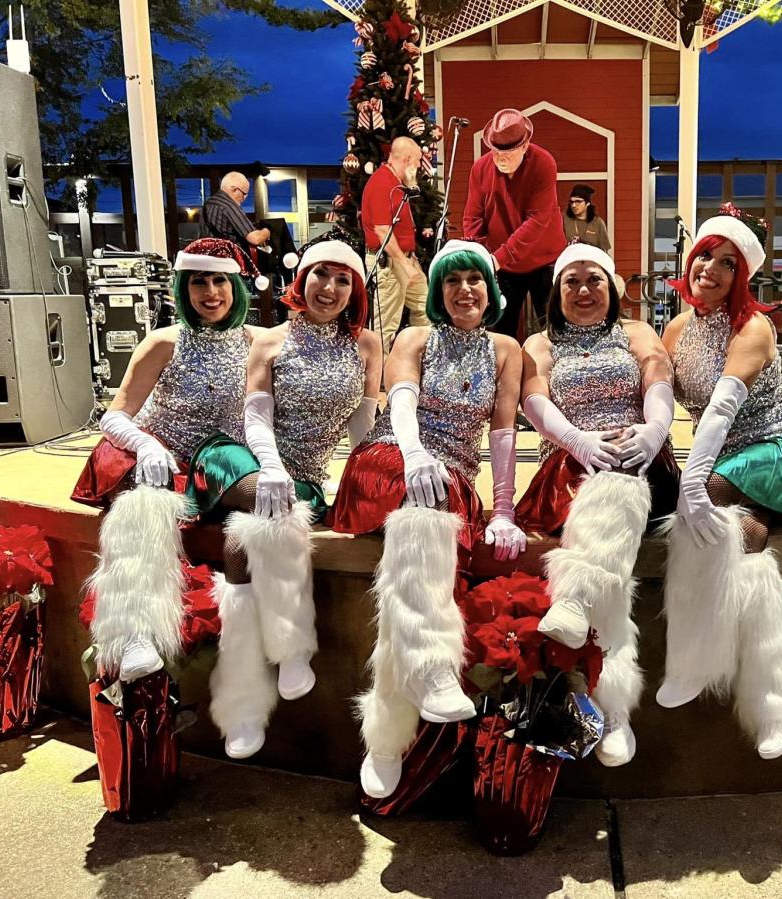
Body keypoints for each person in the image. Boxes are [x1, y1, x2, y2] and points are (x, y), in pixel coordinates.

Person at [330, 240, 525, 799]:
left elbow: (504, 432)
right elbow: (403, 402)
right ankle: (434, 672)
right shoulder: (416, 336)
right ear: (437, 292)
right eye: (451, 281)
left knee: (429, 517)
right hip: (390, 457)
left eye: (475, 280)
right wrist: (414, 455)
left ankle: (385, 738)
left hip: (452, 477)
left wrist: (507, 509)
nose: (464, 290)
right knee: (426, 505)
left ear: (490, 290)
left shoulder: (506, 348)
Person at [181, 239, 382, 759]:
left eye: (342, 279)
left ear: (354, 289)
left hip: (307, 475)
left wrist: (370, 470)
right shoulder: (270, 340)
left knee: (244, 540)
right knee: (269, 506)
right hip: (237, 458)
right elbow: (254, 417)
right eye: (321, 275)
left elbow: (364, 421)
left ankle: (244, 706)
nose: (330, 288)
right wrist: (268, 464)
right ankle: (291, 648)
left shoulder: (368, 345)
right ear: (303, 279)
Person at [655, 205, 782, 760]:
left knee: (704, 506)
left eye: (728, 262)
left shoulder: (753, 326)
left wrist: (694, 482)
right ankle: (776, 698)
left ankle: (691, 662)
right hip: (725, 462)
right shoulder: (677, 328)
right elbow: (654, 403)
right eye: (705, 253)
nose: (711, 267)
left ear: (742, 276)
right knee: (742, 538)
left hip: (780, 450)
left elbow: (721, 412)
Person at [514, 243, 677, 768]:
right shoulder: (540, 341)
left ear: (612, 287)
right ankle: (616, 714)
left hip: (640, 459)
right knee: (613, 502)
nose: (584, 291)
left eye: (595, 281)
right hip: (568, 467)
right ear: (556, 291)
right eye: (572, 282)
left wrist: (653, 430)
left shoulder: (635, 333)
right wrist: (579, 441)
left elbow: (657, 376)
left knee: (624, 480)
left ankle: (574, 602)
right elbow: (533, 399)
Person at [72, 238, 261, 684]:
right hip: (160, 456)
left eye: (220, 280)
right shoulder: (164, 342)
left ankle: (252, 626)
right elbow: (114, 415)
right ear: (183, 287)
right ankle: (136, 631)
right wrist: (146, 445)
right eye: (199, 282)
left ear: (236, 285)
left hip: (220, 459)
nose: (211, 292)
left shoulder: (257, 340)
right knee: (143, 509)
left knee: (263, 505)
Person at [463, 108, 566, 338]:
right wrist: (479, 256)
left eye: (507, 152)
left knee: (553, 330)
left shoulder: (543, 163)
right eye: (495, 151)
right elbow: (473, 218)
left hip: (544, 260)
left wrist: (498, 257)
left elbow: (538, 220)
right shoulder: (480, 168)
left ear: (524, 146)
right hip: (503, 265)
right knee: (499, 332)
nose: (500, 158)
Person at [361, 137, 430, 356]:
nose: (420, 166)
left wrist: (411, 260)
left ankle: (418, 360)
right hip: (390, 263)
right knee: (386, 325)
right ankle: (381, 378)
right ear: (408, 159)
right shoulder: (382, 183)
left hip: (403, 259)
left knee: (424, 308)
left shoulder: (397, 184)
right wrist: (403, 262)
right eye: (418, 161)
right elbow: (383, 231)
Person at [202, 172, 272, 257]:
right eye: (244, 194)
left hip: (207, 258)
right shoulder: (229, 205)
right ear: (234, 190)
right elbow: (255, 238)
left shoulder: (208, 204)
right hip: (228, 261)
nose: (244, 198)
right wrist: (268, 231)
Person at [563, 184, 611, 252]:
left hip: (591, 260)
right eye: (572, 202)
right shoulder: (564, 220)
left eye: (578, 202)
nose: (573, 205)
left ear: (587, 203)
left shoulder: (598, 223)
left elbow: (604, 251)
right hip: (569, 260)